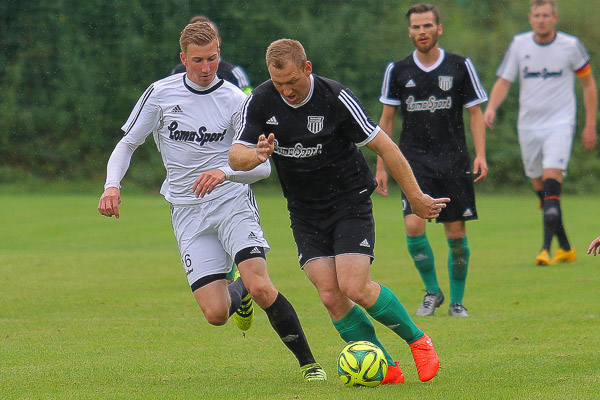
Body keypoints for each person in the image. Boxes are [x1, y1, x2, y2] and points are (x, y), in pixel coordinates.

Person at [97, 22, 326, 382]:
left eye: (213, 58)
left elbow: (260, 169)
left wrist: (225, 172)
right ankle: (240, 291)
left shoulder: (237, 100)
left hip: (232, 203)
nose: (206, 68)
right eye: (198, 60)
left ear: (220, 51)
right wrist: (112, 186)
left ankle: (310, 365)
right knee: (216, 313)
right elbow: (127, 144)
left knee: (262, 284)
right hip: (187, 211)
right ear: (183, 58)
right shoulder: (159, 94)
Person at [229, 38, 450, 384]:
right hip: (304, 211)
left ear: (307, 68)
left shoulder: (335, 98)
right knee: (331, 296)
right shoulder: (259, 100)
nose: (286, 91)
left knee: (354, 286)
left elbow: (386, 147)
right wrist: (255, 154)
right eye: (279, 83)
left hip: (349, 202)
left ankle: (419, 341)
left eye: (292, 82)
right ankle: (387, 366)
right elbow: (235, 156)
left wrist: (417, 197)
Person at [377, 3, 488, 318]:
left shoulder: (460, 65)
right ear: (409, 31)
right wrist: (382, 165)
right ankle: (431, 292)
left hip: (454, 160)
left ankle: (457, 301)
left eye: (427, 26)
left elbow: (476, 113)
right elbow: (386, 120)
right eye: (416, 27)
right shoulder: (397, 70)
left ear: (439, 29)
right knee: (413, 226)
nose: (421, 32)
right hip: (413, 161)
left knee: (455, 233)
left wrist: (480, 154)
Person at [484, 0, 598, 266]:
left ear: (555, 17)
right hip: (528, 127)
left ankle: (545, 250)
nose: (542, 20)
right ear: (530, 18)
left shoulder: (570, 46)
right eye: (537, 15)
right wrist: (491, 108)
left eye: (546, 15)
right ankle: (567, 247)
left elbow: (589, 85)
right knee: (545, 197)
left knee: (550, 187)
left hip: (560, 124)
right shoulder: (519, 44)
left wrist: (590, 124)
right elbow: (504, 80)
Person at [171, 16, 253, 94]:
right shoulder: (177, 72)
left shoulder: (233, 73)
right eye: (197, 60)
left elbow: (248, 102)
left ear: (219, 41)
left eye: (210, 36)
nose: (206, 69)